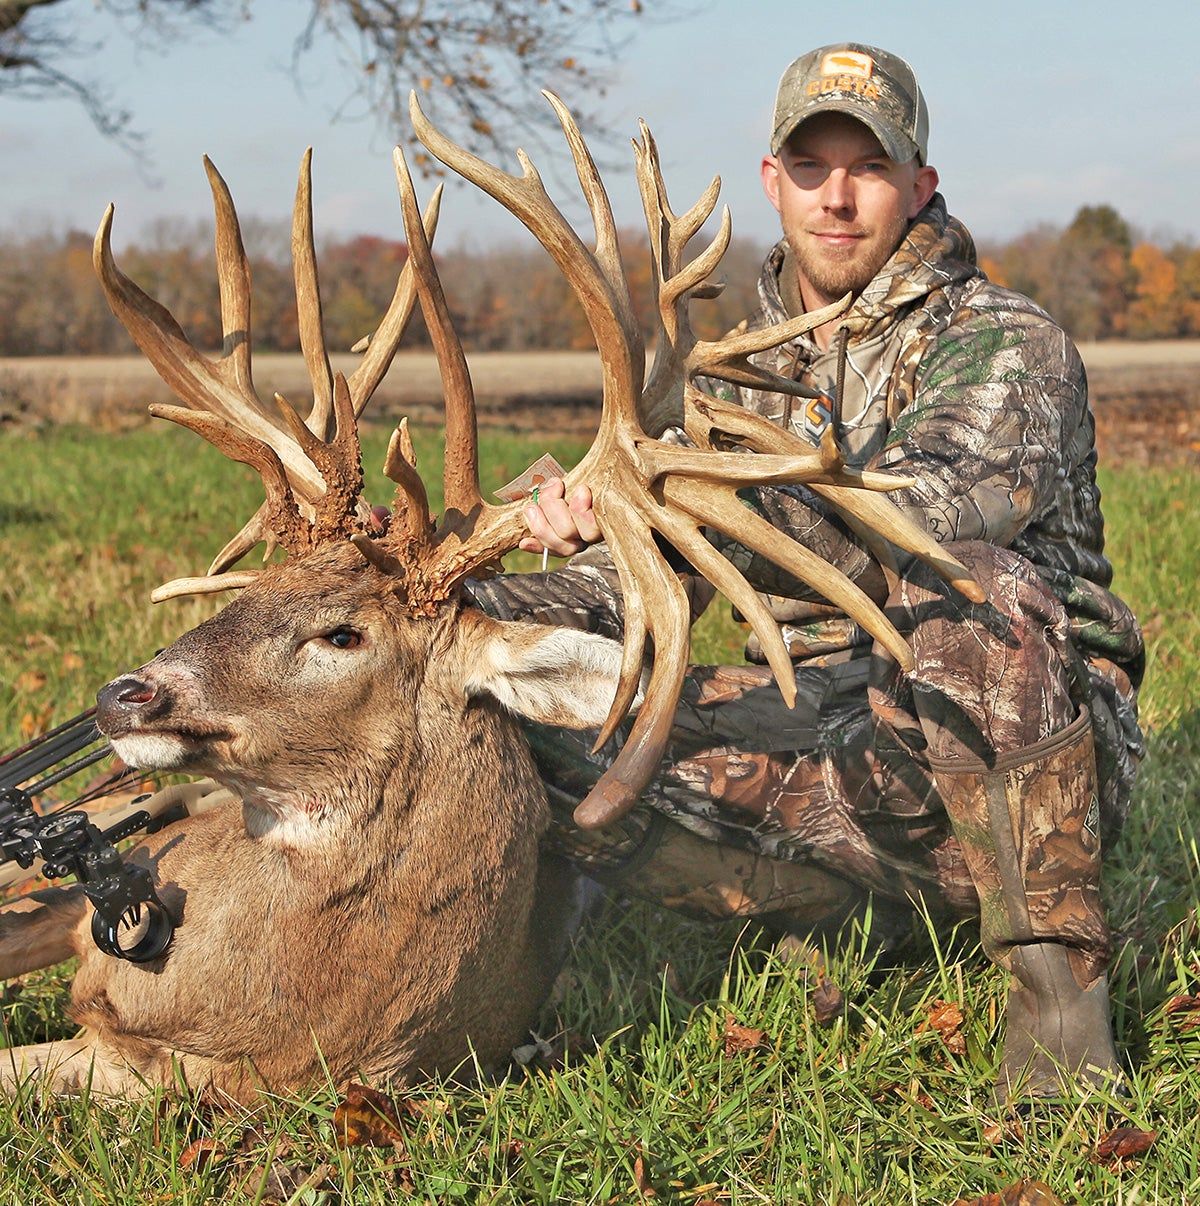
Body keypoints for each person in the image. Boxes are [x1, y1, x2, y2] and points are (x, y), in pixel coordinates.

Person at [466, 42, 1145, 1101]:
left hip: (1003, 749)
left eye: (867, 168)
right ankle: (825, 919)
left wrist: (690, 497)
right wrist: (519, 555)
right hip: (820, 737)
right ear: (772, 182)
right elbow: (629, 589)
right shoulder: (728, 380)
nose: (838, 198)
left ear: (919, 186)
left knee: (965, 586)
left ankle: (1058, 1005)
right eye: (812, 166)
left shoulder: (1007, 342)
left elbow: (912, 523)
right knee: (500, 678)